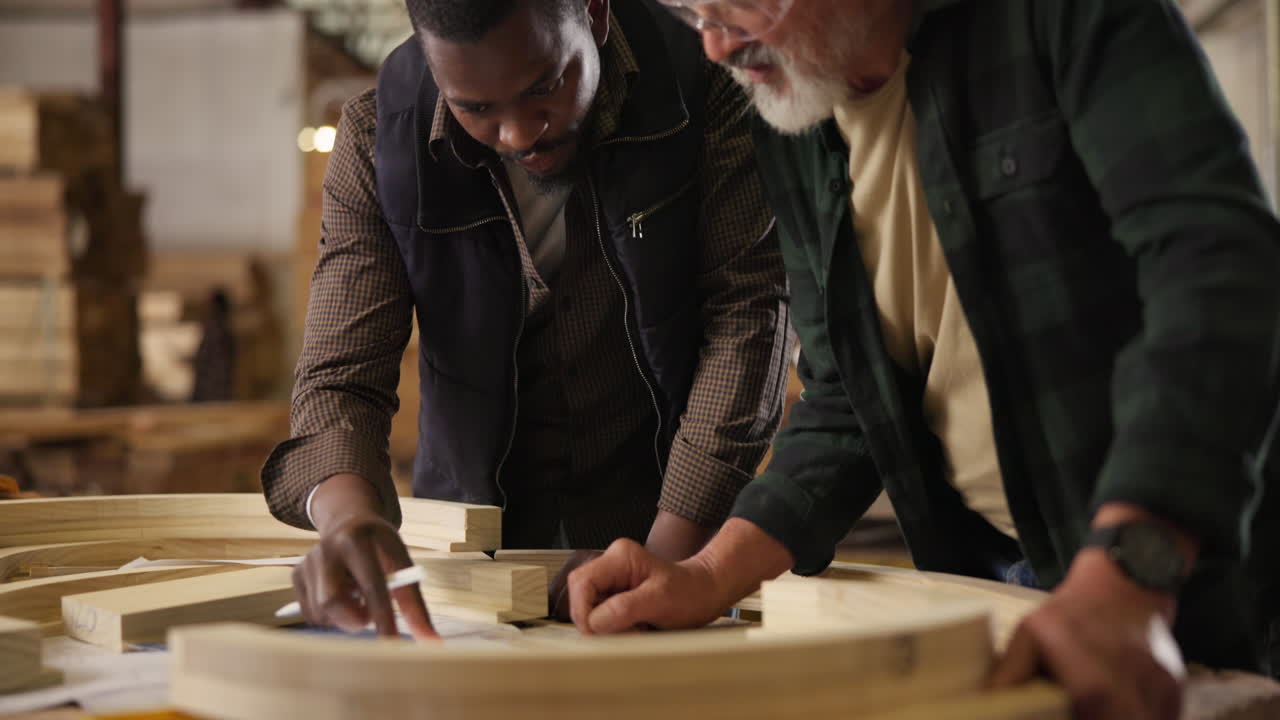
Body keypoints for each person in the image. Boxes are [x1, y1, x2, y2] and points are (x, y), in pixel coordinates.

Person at [567, 1, 1280, 717]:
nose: (716, 46)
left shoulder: (1064, 17)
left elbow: (1218, 273)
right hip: (990, 577)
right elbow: (845, 400)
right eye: (693, 12)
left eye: (742, 5)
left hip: (1187, 564)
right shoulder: (793, 109)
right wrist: (708, 575)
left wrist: (1131, 572)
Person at [261, 0, 789, 639]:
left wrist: (671, 565)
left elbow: (748, 318)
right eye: (475, 108)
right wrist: (349, 521)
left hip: (671, 526)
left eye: (545, 86)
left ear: (593, 14)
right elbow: (340, 377)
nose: (518, 134)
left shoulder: (703, 85)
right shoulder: (380, 139)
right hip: (466, 571)